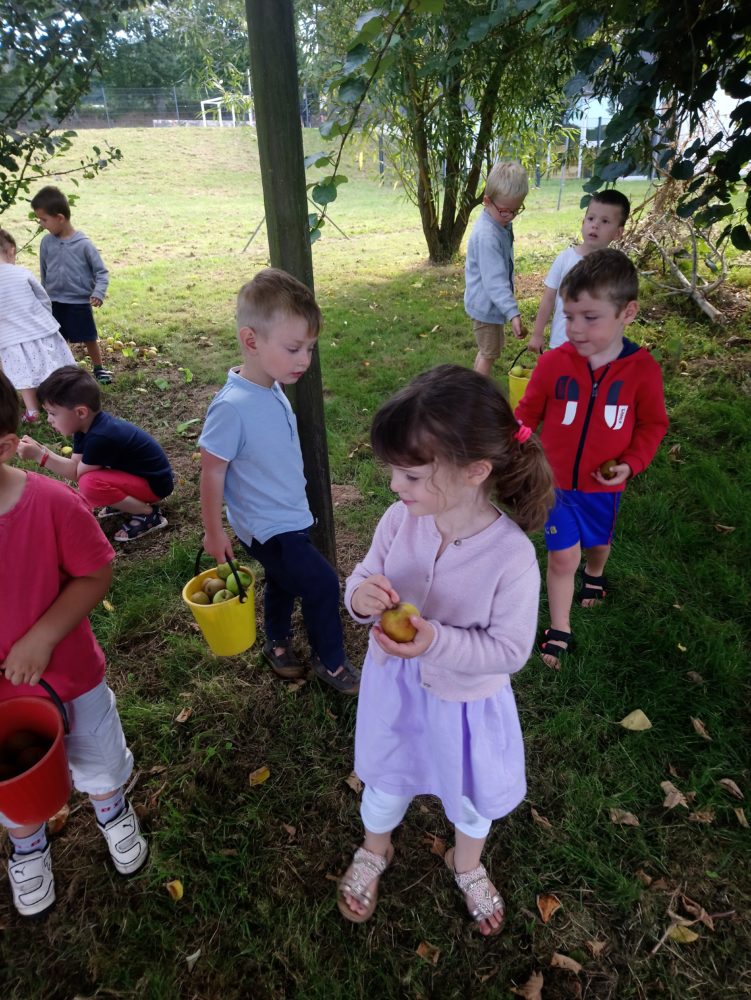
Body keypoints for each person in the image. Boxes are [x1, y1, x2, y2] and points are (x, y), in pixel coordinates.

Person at [338, 364, 555, 935]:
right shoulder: (398, 521)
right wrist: (361, 595)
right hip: (397, 691)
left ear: (474, 472)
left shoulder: (510, 556)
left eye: (409, 476)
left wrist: (436, 641)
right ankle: (375, 847)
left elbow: (509, 650)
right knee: (387, 777)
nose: (393, 487)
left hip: (465, 706)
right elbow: (363, 576)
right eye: (393, 472)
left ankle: (468, 862)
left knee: (469, 798)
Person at [0, 371, 147, 918]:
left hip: (70, 676)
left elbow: (94, 574)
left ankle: (111, 809)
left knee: (98, 756)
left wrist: (42, 637)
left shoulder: (52, 504)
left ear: (6, 446)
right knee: (13, 781)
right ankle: (26, 842)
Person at [199, 268, 359, 694]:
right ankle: (333, 663)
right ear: (251, 341)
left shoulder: (270, 387)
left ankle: (277, 642)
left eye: (309, 348)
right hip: (267, 525)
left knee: (284, 580)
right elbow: (211, 470)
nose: (304, 359)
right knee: (322, 583)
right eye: (293, 348)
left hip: (287, 512)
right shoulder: (232, 407)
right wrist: (214, 534)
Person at [515, 249, 669, 669]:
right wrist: (518, 447)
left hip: (605, 487)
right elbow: (525, 415)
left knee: (598, 544)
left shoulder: (642, 371)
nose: (576, 329)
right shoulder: (552, 364)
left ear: (627, 313)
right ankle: (560, 625)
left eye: (590, 317)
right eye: (569, 316)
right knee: (564, 555)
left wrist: (632, 463)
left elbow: (653, 425)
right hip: (556, 485)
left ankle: (596, 574)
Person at [16, 365, 173, 542]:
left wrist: (40, 455)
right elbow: (75, 465)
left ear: (81, 412)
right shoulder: (85, 428)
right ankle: (124, 501)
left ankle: (149, 514)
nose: (49, 419)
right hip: (139, 476)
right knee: (90, 480)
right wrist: (41, 450)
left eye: (53, 413)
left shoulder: (101, 436)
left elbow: (76, 474)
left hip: (155, 485)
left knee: (89, 484)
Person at [528, 190, 630, 352]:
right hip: (562, 343)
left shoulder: (616, 269)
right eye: (591, 218)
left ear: (618, 232)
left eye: (605, 221)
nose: (595, 225)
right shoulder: (565, 259)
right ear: (583, 222)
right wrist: (538, 334)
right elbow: (548, 298)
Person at [29, 185, 112, 384]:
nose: (41, 224)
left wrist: (98, 293)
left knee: (89, 336)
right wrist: (43, 299)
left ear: (60, 218)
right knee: (58, 339)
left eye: (44, 220)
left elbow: (101, 272)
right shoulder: (46, 243)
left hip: (78, 302)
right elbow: (44, 273)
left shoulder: (84, 244)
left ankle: (99, 368)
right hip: (54, 302)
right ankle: (61, 371)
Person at [0, 228, 74, 423]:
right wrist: (44, 318)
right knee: (52, 366)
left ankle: (32, 411)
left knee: (24, 375)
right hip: (40, 329)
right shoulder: (22, 273)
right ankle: (64, 401)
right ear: (11, 251)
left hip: (11, 338)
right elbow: (43, 298)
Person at [464, 161, 528, 377]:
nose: (510, 217)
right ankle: (475, 397)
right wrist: (512, 313)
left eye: (515, 210)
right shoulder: (487, 236)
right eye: (505, 211)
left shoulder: (498, 222)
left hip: (490, 304)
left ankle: (474, 389)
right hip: (486, 305)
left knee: (489, 351)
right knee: (488, 353)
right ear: (486, 201)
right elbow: (495, 281)